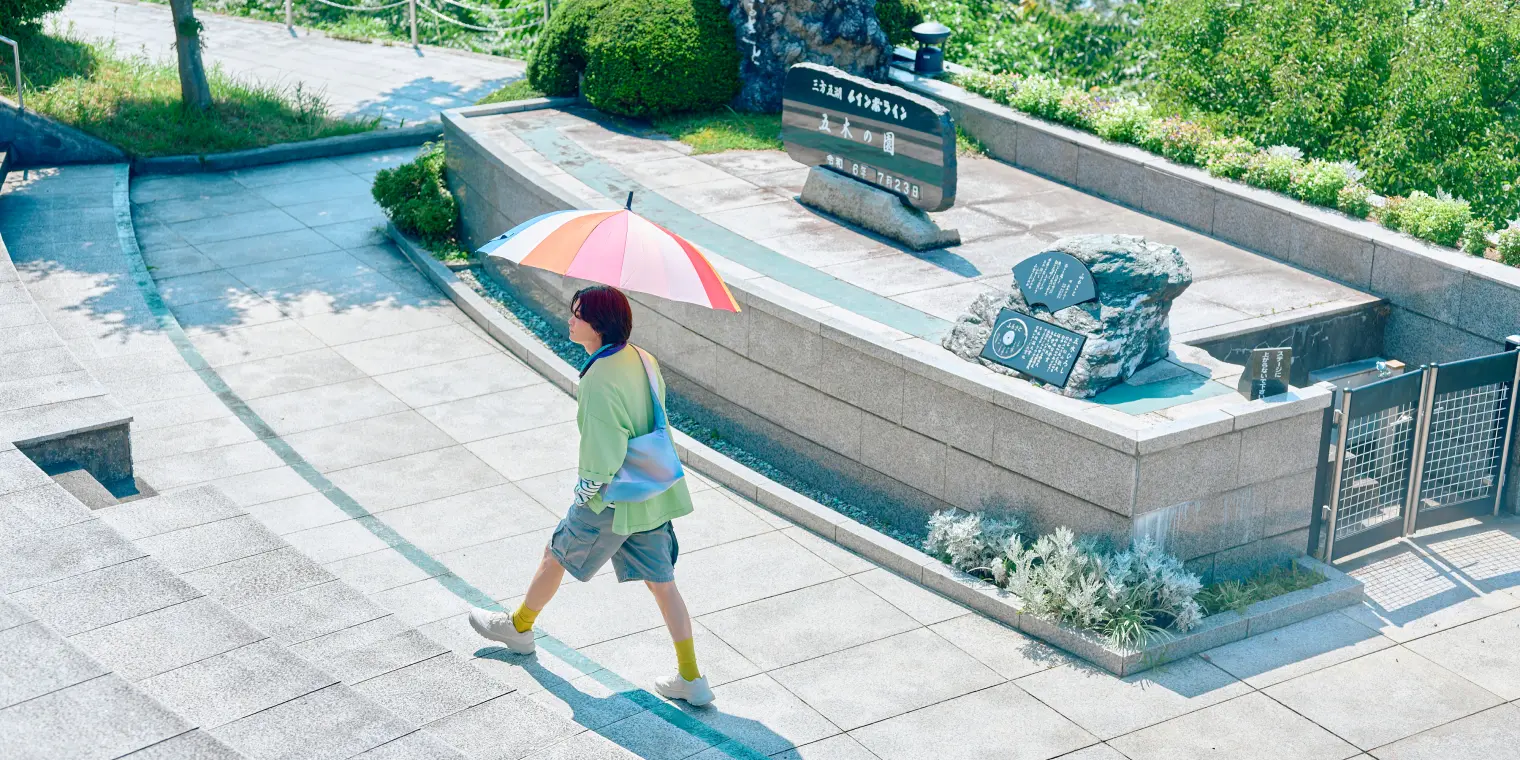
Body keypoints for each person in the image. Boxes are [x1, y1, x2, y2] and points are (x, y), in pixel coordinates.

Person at [467, 285, 713, 706]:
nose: (570, 318)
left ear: (598, 325)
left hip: (611, 498)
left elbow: (603, 455)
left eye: (578, 313)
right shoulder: (643, 358)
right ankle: (691, 677)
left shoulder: (598, 379)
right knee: (663, 584)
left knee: (556, 551)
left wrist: (584, 494)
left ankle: (520, 628)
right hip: (650, 493)